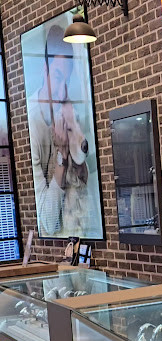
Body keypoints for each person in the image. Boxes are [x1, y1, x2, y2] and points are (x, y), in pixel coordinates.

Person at [27, 25, 73, 236]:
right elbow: (47, 222)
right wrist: (62, 155)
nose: (62, 92)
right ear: (45, 70)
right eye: (57, 77)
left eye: (67, 80)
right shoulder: (31, 126)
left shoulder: (69, 113)